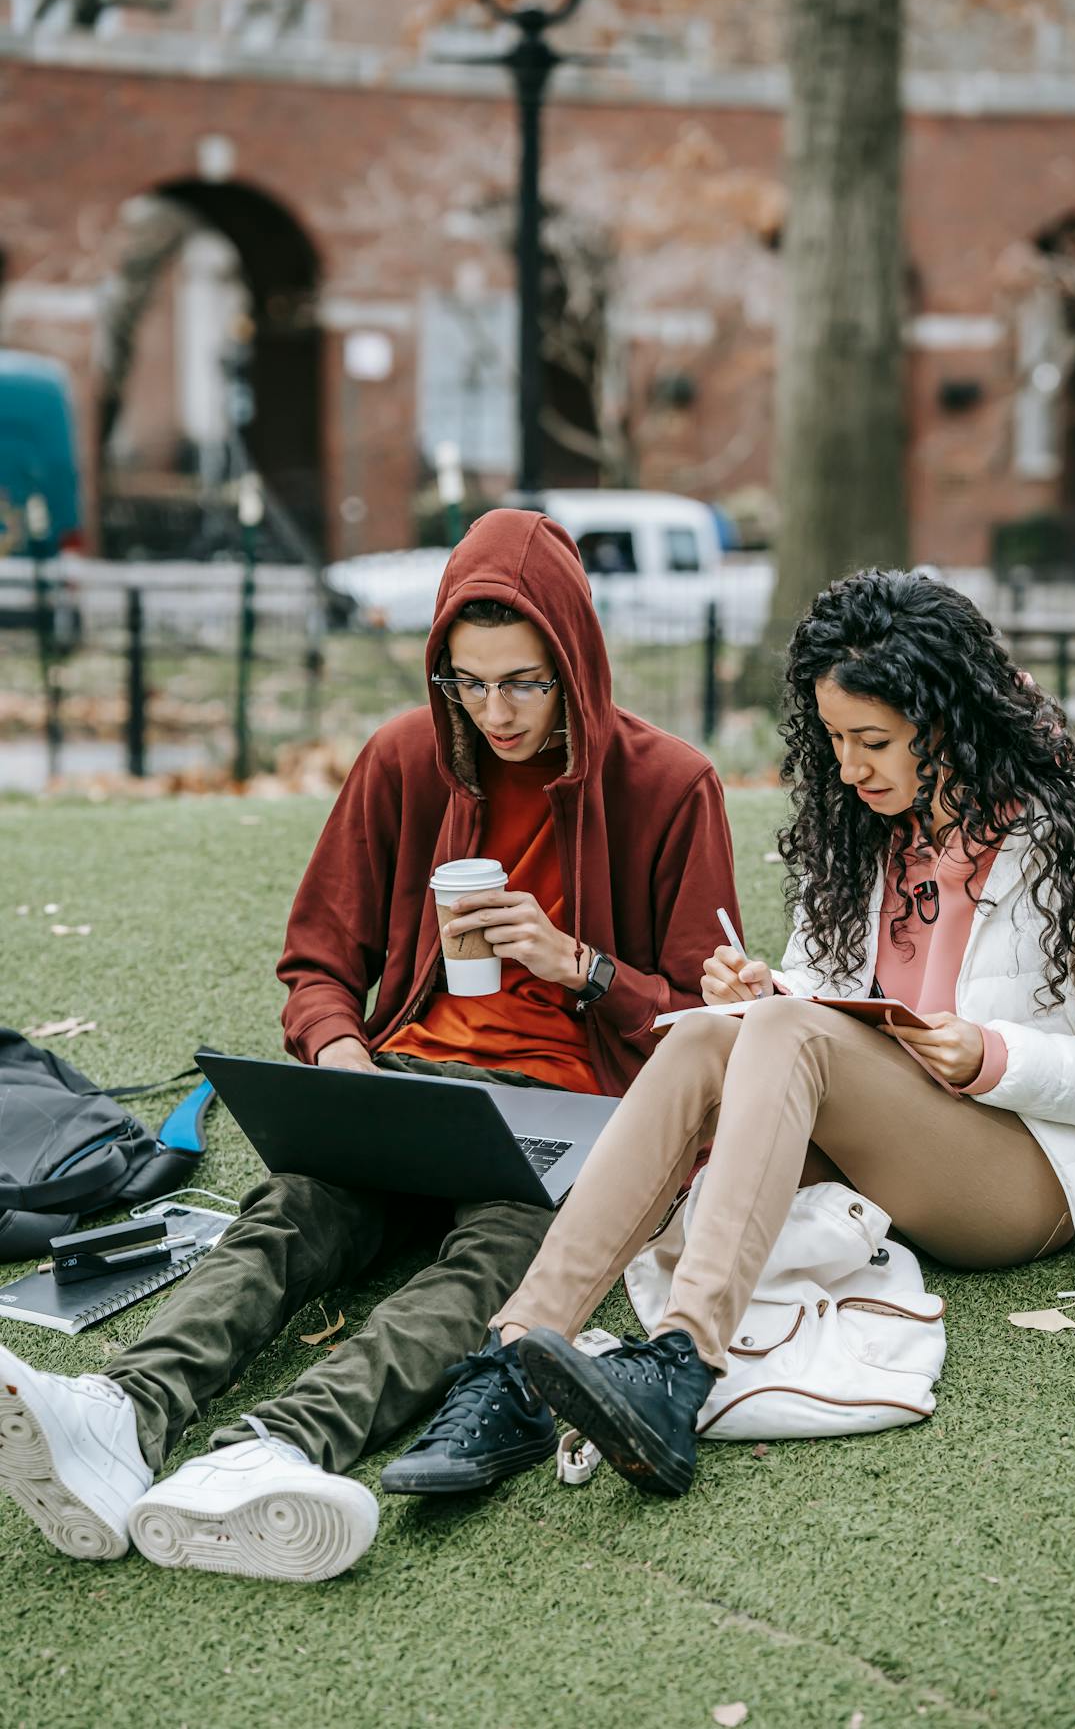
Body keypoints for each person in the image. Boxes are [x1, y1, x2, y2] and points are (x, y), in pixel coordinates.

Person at [0, 509, 739, 1577]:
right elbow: (316, 964)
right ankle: (121, 1411)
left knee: (480, 1271)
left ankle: (269, 1452)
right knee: (290, 1213)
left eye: (525, 682)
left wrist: (576, 962)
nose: (495, 713)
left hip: (572, 1118)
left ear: (575, 657)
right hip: (408, 1082)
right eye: (468, 684)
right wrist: (341, 1056)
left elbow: (702, 1028)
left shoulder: (673, 785)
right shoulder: (406, 758)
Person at [401, 566, 1075, 1499]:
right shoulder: (861, 830)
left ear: (953, 725)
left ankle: (679, 1366)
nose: (850, 767)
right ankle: (514, 1359)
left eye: (876, 741)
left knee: (779, 1029)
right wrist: (767, 988)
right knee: (705, 1036)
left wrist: (994, 1056)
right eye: (833, 738)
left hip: (1035, 1172)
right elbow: (824, 1007)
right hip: (892, 1148)